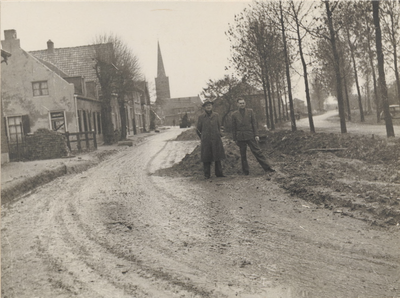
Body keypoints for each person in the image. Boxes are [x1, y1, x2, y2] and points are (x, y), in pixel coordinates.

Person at [231, 97, 274, 175]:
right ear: (237, 104)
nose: (242, 105)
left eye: (243, 103)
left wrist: (256, 134)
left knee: (257, 152)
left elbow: (254, 124)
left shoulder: (250, 112)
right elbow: (233, 128)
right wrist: (234, 138)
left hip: (250, 135)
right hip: (240, 136)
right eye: (240, 103)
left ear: (245, 103)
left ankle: (268, 168)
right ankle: (245, 171)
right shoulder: (234, 114)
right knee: (243, 154)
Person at [196, 99, 226, 179]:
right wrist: (203, 137)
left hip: (216, 139)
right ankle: (207, 174)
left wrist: (219, 134)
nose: (208, 107)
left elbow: (219, 127)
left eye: (209, 105)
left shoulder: (216, 115)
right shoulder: (201, 117)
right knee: (206, 157)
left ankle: (219, 173)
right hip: (206, 140)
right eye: (206, 106)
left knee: (217, 156)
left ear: (212, 106)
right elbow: (198, 130)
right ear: (204, 107)